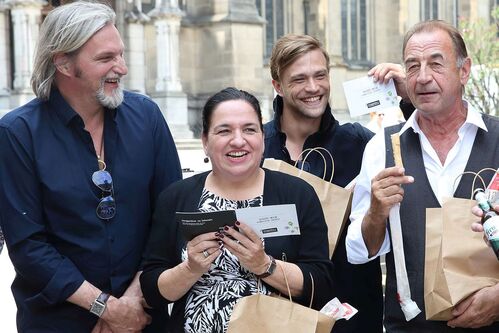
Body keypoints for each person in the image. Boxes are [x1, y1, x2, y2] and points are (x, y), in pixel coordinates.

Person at [0, 2, 182, 332]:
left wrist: (132, 302)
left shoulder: (147, 117)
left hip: (144, 317)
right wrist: (105, 308)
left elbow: (170, 218)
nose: (122, 68)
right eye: (105, 58)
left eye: (121, 54)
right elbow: (28, 246)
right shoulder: (17, 133)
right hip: (58, 320)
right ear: (64, 63)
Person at [346, 20, 499, 332]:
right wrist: (376, 210)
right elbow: (358, 252)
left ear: (464, 70)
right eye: (412, 66)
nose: (423, 77)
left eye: (435, 63)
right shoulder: (382, 147)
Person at [140, 87, 334, 333]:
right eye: (224, 130)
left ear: (263, 138)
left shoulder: (297, 194)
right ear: (205, 141)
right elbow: (151, 290)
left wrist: (264, 265)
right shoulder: (176, 197)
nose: (238, 140)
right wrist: (190, 269)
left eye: (249, 129)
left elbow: (321, 284)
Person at [263, 34, 381, 333]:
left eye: (320, 75)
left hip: (351, 312)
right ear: (277, 85)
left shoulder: (359, 144)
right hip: (272, 313)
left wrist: (404, 98)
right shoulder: (257, 147)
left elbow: (414, 152)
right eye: (299, 79)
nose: (314, 88)